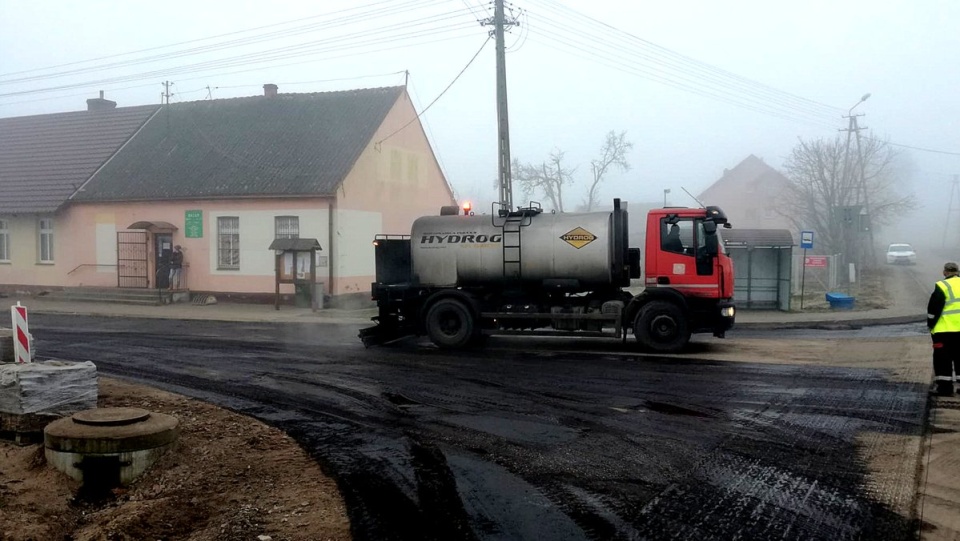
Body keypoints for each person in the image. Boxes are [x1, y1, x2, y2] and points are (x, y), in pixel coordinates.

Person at [927, 261, 960, 396]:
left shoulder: (941, 286)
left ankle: (945, 389)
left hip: (943, 331)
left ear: (945, 272)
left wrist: (931, 325)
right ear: (957, 272)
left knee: (942, 359)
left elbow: (933, 309)